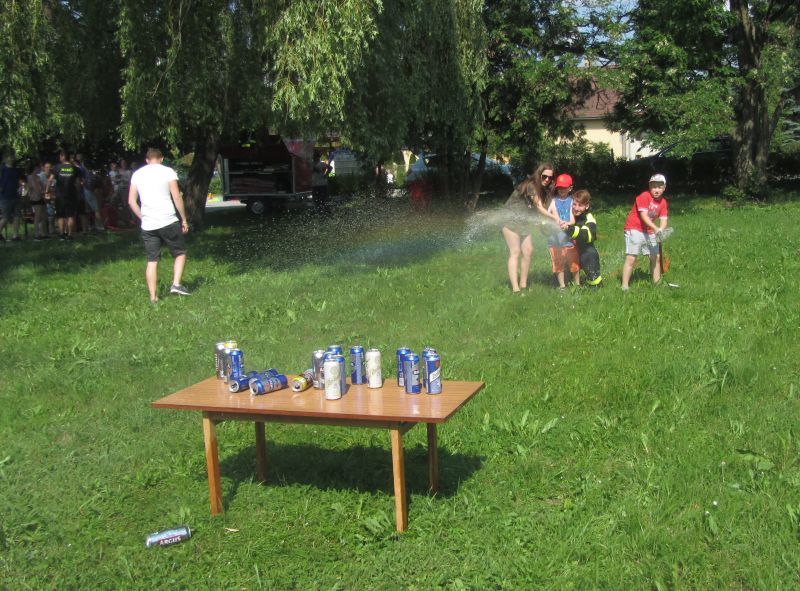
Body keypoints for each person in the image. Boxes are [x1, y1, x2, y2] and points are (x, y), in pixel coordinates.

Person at [128, 148, 191, 303]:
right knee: (180, 253)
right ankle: (176, 284)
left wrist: (143, 217)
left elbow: (131, 201)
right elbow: (176, 197)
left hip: (148, 225)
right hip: (168, 220)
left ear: (147, 160)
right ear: (161, 159)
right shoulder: (168, 172)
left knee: (152, 261)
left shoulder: (137, 174)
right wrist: (184, 219)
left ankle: (153, 297)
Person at [501, 162, 556, 292]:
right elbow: (538, 207)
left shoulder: (542, 190)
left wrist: (540, 225)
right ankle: (516, 289)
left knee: (528, 251)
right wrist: (556, 219)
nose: (547, 180)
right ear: (539, 174)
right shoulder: (531, 185)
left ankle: (523, 285)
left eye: (550, 178)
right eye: (544, 176)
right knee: (515, 251)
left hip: (523, 221)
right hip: (509, 219)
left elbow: (534, 211)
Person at [621, 173, 669, 290]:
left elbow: (664, 219)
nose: (656, 190)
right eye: (654, 186)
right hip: (634, 228)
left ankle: (657, 284)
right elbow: (644, 216)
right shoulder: (644, 196)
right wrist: (655, 228)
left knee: (656, 257)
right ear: (649, 186)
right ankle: (624, 286)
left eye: (659, 187)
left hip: (649, 230)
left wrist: (661, 229)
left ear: (664, 188)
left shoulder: (663, 202)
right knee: (632, 258)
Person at [561, 189, 602, 287]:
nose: (576, 208)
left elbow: (585, 235)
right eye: (574, 204)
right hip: (569, 250)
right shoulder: (568, 215)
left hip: (584, 252)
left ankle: (596, 285)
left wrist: (569, 229)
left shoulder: (589, 218)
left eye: (580, 205)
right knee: (563, 275)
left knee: (590, 257)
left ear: (587, 206)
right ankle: (567, 280)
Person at [547, 173, 580, 289]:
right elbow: (547, 214)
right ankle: (562, 286)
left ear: (570, 188)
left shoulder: (572, 202)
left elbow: (572, 220)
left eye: (564, 187)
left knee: (574, 262)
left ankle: (577, 284)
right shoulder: (553, 201)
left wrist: (566, 224)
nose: (562, 189)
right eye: (560, 187)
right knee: (558, 263)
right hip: (554, 239)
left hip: (568, 239)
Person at [52, 151, 80, 240]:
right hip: (71, 194)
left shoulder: (57, 167)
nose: (59, 158)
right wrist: (78, 192)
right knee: (70, 215)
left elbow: (50, 180)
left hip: (60, 195)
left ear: (63, 156)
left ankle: (62, 235)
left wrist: (46, 191)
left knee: (61, 216)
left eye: (60, 156)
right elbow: (78, 182)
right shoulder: (75, 168)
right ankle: (70, 235)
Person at [0, 155, 22, 242]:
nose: (11, 158)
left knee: (17, 216)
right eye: (9, 157)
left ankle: (15, 236)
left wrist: (20, 188)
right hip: (5, 197)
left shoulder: (15, 169)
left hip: (16, 196)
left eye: (12, 157)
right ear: (5, 159)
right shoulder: (2, 169)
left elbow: (19, 181)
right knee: (5, 217)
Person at [26, 163, 48, 240]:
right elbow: (36, 187)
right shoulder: (30, 177)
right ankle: (36, 235)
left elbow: (42, 187)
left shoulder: (38, 177)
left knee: (44, 216)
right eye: (39, 168)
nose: (40, 169)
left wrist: (44, 191)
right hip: (35, 199)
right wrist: (42, 190)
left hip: (41, 198)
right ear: (35, 168)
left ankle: (43, 234)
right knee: (37, 217)